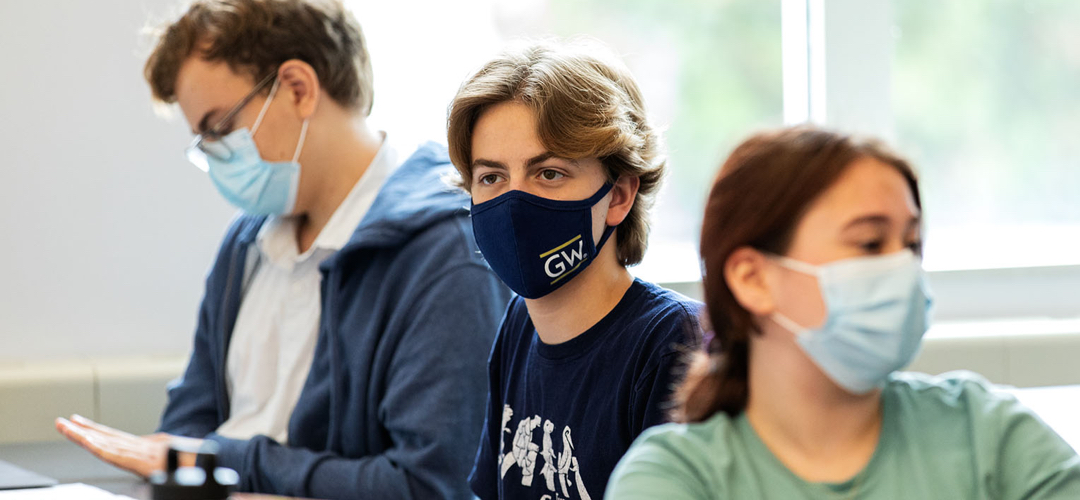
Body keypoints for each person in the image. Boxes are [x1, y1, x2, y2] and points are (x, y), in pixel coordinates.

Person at [54, 1, 511, 498]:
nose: (213, 153)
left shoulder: (447, 253)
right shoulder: (247, 241)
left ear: (297, 88)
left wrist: (225, 459)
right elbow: (186, 426)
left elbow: (427, 485)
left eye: (218, 128)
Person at [605, 126, 1080, 499]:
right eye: (870, 243)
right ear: (753, 278)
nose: (902, 267)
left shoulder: (986, 431)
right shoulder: (674, 479)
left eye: (911, 245)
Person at [446, 39, 702, 500]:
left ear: (619, 195)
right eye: (491, 178)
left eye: (549, 173)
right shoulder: (518, 324)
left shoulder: (674, 345)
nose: (513, 203)